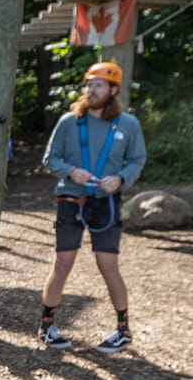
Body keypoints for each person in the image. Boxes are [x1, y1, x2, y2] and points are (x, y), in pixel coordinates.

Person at [39, 61, 147, 354]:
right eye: (89, 84)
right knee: (62, 262)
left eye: (98, 85)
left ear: (113, 90)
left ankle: (123, 329)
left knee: (108, 264)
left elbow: (137, 160)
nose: (91, 89)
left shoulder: (128, 124)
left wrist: (121, 179)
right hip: (71, 199)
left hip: (107, 201)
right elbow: (50, 158)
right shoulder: (68, 122)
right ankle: (47, 324)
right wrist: (71, 172)